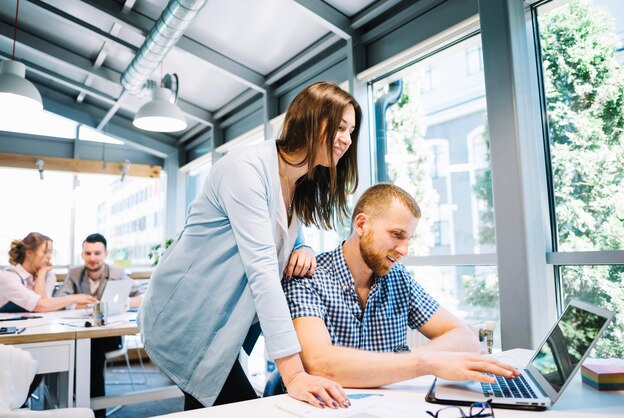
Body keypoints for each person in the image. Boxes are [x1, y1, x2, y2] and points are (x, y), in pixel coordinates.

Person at [140, 81, 361, 410]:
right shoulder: (247, 169)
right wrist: (295, 374)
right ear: (312, 119)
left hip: (230, 320)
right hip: (188, 315)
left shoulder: (297, 179)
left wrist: (305, 249)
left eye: (351, 131)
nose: (346, 139)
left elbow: (285, 234)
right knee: (234, 406)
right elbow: (263, 272)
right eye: (340, 127)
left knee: (211, 406)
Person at [282, 184, 518, 388]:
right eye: (397, 234)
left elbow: (465, 338)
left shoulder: (398, 278)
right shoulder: (308, 277)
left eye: (408, 239)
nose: (404, 250)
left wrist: (409, 361)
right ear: (361, 224)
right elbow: (320, 364)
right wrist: (425, 363)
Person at [56, 233, 141, 416]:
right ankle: (80, 404)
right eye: (88, 253)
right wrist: (76, 302)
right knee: (77, 347)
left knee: (91, 351)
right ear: (82, 255)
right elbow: (60, 299)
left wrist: (127, 302)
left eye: (97, 253)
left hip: (108, 334)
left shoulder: (117, 273)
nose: (92, 258)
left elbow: (140, 297)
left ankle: (92, 409)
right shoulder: (74, 273)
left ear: (105, 253)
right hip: (80, 331)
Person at [0, 232, 96, 313]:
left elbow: (46, 305)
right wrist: (76, 297)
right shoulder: (8, 277)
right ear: (29, 253)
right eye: (45, 252)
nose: (49, 256)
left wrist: (41, 276)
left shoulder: (48, 275)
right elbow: (40, 306)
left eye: (51, 252)